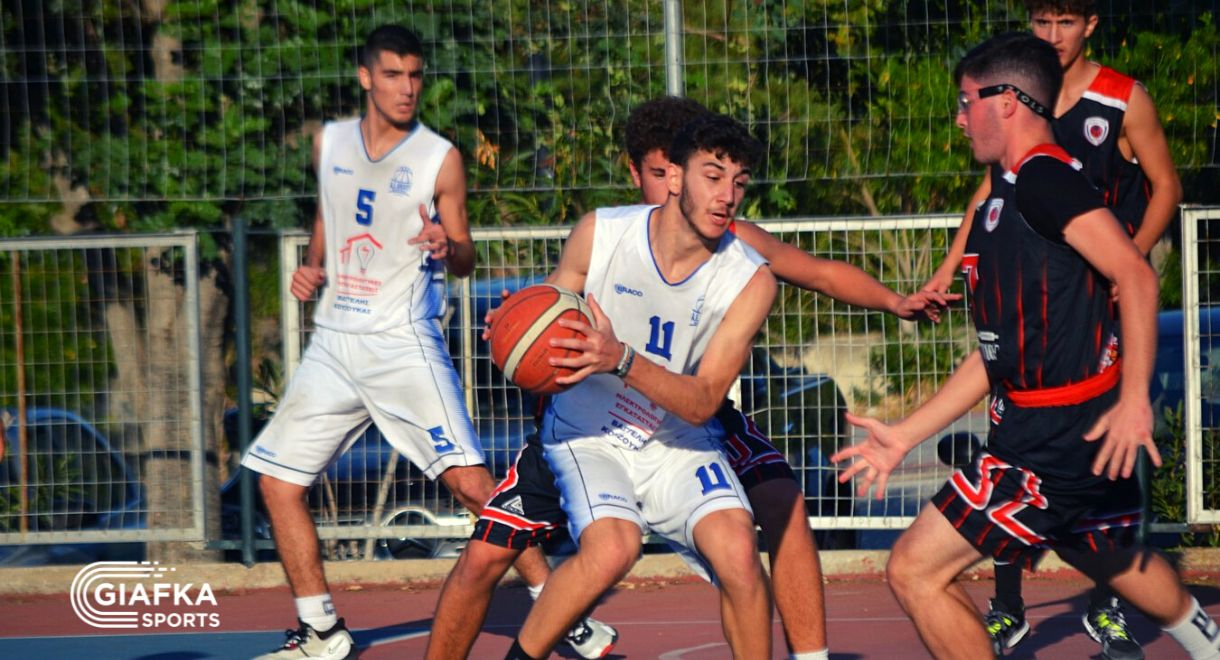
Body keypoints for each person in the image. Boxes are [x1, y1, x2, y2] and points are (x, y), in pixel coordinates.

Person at [425, 97, 955, 660]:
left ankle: (810, 656)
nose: (727, 194)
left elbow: (808, 285)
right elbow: (552, 313)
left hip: (680, 423)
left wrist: (894, 301)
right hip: (588, 429)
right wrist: (514, 328)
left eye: (738, 181)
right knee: (496, 556)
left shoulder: (745, 263)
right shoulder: (605, 233)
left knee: (763, 520)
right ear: (660, 175)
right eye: (710, 176)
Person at [834, 32, 1220, 660]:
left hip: (1056, 436)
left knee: (913, 569)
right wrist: (905, 435)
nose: (959, 118)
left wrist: (1134, 402)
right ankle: (1208, 644)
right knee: (1107, 555)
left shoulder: (1044, 178)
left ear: (1007, 101)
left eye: (966, 102)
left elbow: (1137, 276)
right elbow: (998, 355)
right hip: (1053, 425)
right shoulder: (1007, 191)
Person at [241, 25, 590, 660]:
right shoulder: (331, 143)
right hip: (335, 343)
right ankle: (321, 631)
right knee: (276, 482)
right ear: (365, 78)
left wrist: (446, 245)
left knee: (473, 486)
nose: (407, 88)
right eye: (394, 75)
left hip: (402, 345)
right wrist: (313, 265)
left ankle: (561, 609)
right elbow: (328, 212)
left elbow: (466, 257)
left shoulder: (438, 157)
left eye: (415, 75)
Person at [923, 2, 1182, 656]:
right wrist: (951, 268)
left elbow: (1161, 195)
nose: (1053, 34)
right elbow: (989, 202)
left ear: (1090, 24)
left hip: (1078, 337)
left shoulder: (1103, 113)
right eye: (1042, 21)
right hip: (1038, 342)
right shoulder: (1014, 157)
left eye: (1065, 21)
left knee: (918, 567)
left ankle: (1094, 608)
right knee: (1092, 538)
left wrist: (1124, 265)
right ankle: (1013, 605)